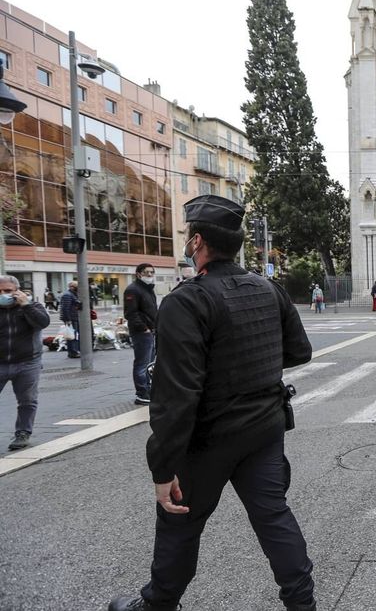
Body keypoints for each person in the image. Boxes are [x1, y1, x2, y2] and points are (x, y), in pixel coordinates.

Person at [109, 194, 317, 611]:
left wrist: (163, 466)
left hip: (209, 437)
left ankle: (159, 603)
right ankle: (303, 602)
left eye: (189, 237)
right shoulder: (269, 289)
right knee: (274, 516)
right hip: (265, 427)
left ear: (198, 242)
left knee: (179, 520)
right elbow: (300, 353)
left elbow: (176, 394)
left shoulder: (186, 301)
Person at [1, 275, 50, 451]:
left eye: (7, 291)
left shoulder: (31, 306)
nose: (3, 295)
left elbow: (43, 322)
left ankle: (23, 433)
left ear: (17, 291)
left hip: (27, 362)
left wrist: (26, 305)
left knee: (27, 400)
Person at [124, 263, 158, 405]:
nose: (149, 275)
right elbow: (131, 313)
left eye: (151, 272)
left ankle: (148, 390)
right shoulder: (133, 290)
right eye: (146, 272)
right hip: (142, 332)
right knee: (142, 363)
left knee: (150, 363)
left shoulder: (147, 289)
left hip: (150, 330)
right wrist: (144, 328)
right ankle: (142, 393)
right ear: (138, 274)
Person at [59, 280, 82, 359]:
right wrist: (68, 320)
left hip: (73, 317)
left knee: (73, 335)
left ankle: (74, 351)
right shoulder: (67, 295)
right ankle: (73, 352)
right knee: (72, 336)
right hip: (71, 318)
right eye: (76, 287)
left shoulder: (72, 294)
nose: (78, 288)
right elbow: (65, 308)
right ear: (71, 287)